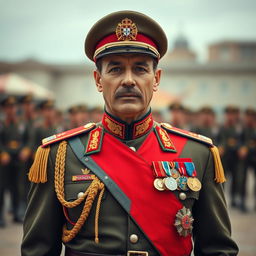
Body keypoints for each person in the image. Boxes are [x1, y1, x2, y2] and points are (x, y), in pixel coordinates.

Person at [21, 10, 238, 256]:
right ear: (98, 80)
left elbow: (217, 249)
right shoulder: (60, 155)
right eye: (115, 70)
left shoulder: (197, 154)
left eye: (140, 69)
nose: (128, 80)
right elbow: (37, 251)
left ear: (156, 79)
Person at [0, 96, 31, 226]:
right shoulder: (2, 123)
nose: (11, 110)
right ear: (4, 109)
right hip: (4, 159)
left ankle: (18, 212)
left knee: (18, 186)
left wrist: (26, 149)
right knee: (2, 187)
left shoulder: (22, 123)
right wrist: (2, 152)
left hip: (19, 157)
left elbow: (29, 139)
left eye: (13, 107)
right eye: (8, 107)